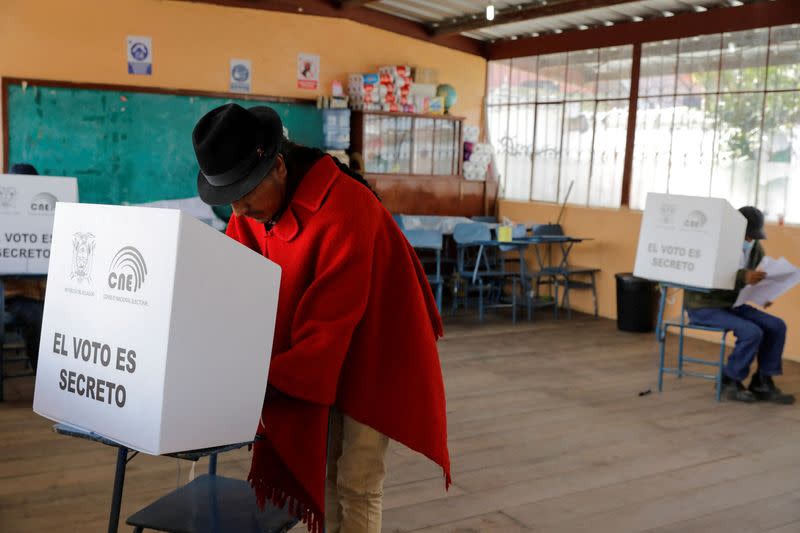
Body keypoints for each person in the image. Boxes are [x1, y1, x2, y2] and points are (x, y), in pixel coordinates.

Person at [192, 103, 450, 533]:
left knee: (358, 478)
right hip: (317, 348)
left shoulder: (347, 209)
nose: (238, 212)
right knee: (322, 469)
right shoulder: (252, 210)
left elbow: (325, 336)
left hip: (377, 345)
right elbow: (233, 285)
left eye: (245, 195)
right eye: (229, 200)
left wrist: (252, 378)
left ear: (276, 167)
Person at [685, 206, 793, 404]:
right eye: (747, 236)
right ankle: (730, 379)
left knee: (777, 326)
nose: (750, 241)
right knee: (752, 332)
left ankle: (762, 380)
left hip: (733, 304)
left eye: (754, 236)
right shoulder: (712, 245)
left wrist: (762, 294)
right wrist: (744, 277)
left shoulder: (755, 249)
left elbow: (747, 284)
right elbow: (707, 275)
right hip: (703, 306)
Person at [3, 163, 46, 371]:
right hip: (14, 295)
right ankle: (44, 380)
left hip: (48, 294)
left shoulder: (47, 217)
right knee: (37, 317)